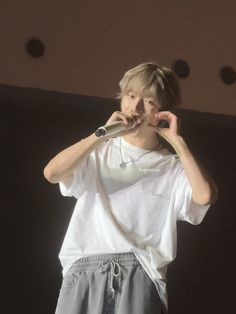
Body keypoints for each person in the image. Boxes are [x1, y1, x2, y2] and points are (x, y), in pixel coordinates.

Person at [44, 61, 217, 314]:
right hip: (84, 268)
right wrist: (101, 134)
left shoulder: (172, 167)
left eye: (148, 101)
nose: (135, 107)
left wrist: (178, 143)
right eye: (130, 95)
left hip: (140, 272)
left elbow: (205, 196)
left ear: (163, 111)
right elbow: (51, 173)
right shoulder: (98, 151)